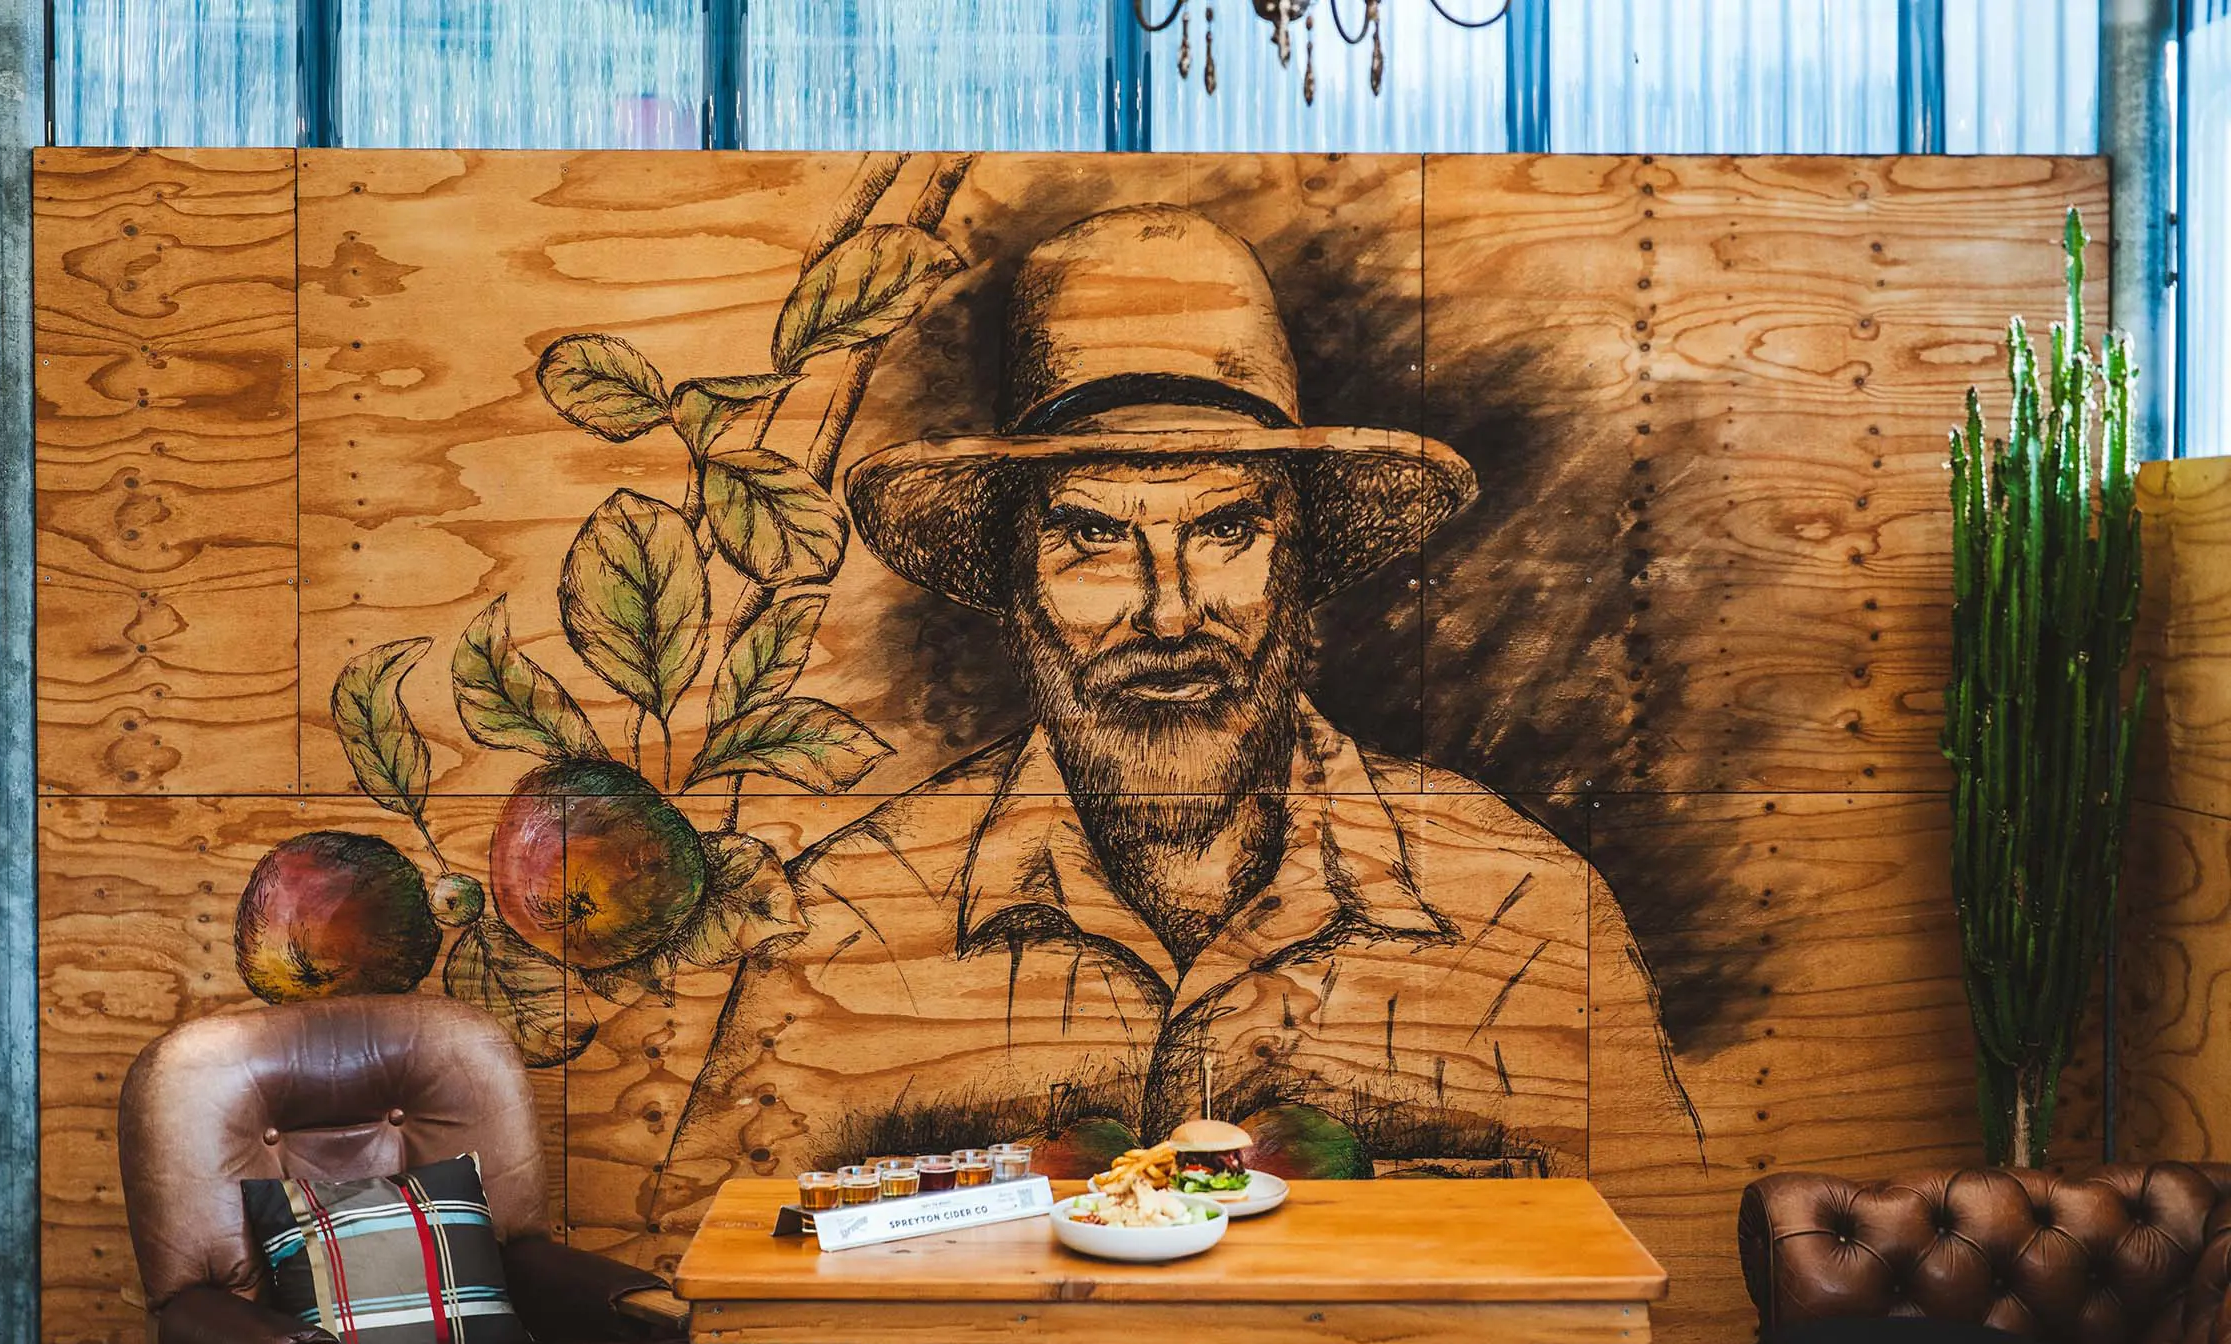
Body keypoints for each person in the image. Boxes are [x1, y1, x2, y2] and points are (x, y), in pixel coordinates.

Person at [654, 205, 1691, 1210]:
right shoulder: (840, 922)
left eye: (1228, 530)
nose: (1168, 611)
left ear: (1301, 565)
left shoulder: (1529, 918)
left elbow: (1666, 1329)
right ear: (1016, 587)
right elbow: (722, 1310)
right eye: (1095, 539)